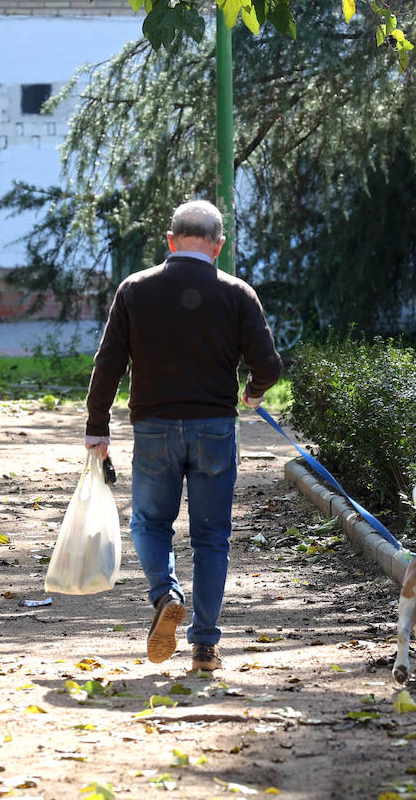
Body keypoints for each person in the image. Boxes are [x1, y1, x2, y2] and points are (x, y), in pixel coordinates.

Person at [84, 199, 282, 672]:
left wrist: (97, 427)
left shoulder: (135, 289)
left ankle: (165, 592)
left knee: (150, 523)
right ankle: (205, 647)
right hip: (214, 429)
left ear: (170, 241)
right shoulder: (237, 294)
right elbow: (269, 366)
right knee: (212, 537)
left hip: (153, 429)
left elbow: (108, 363)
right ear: (219, 245)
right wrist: (252, 392)